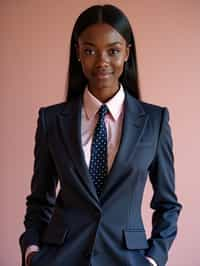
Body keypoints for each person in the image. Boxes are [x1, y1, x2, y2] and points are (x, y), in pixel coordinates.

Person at [19, 4, 182, 266]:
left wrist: (153, 259)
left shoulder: (154, 121)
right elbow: (39, 200)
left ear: (127, 53)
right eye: (90, 51)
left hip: (128, 258)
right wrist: (32, 252)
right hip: (60, 257)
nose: (102, 61)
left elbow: (168, 204)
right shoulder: (51, 120)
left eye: (113, 51)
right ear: (78, 54)